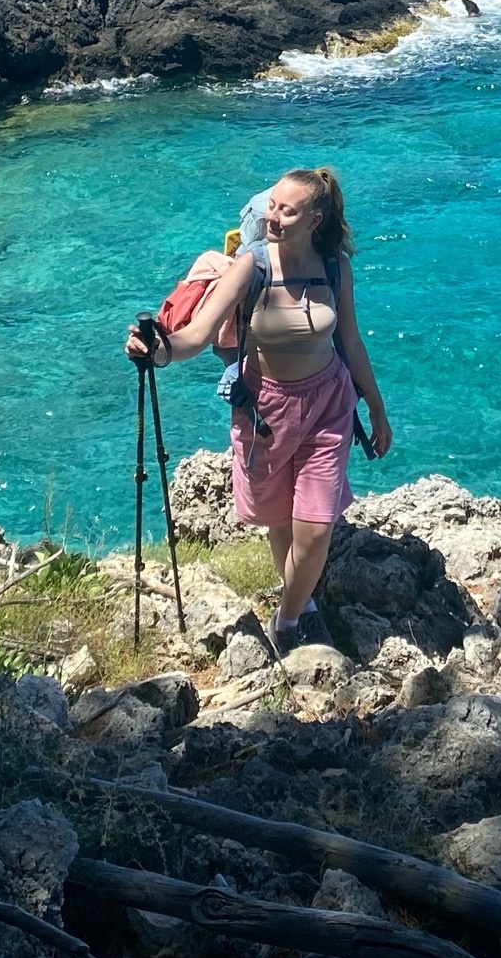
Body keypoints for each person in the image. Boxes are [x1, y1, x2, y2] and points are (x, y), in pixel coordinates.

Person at [127, 167, 394, 655]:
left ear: (315, 218)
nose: (273, 216)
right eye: (271, 205)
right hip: (265, 412)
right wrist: (160, 352)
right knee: (280, 522)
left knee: (315, 531)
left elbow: (350, 341)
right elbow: (198, 333)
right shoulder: (250, 265)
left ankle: (289, 621)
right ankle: (305, 608)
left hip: (329, 404)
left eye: (287, 210)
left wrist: (375, 407)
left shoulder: (335, 266)